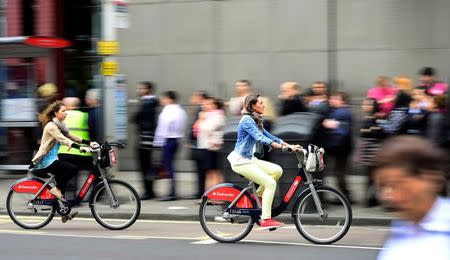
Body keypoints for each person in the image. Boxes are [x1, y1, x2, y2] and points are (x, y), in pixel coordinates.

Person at [227, 94, 301, 229]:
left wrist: (290, 145)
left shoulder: (256, 119)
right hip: (241, 162)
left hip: (249, 159)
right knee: (270, 183)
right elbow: (260, 138)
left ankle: (256, 197)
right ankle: (266, 219)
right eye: (261, 103)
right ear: (253, 106)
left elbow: (269, 136)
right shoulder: (247, 120)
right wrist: (280, 147)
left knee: (277, 171)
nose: (264, 105)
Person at [374, 136, 449, 260]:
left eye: (399, 185)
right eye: (384, 187)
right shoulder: (401, 231)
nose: (391, 197)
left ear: (430, 177)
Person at [31, 100, 98, 223]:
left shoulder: (60, 124)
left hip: (53, 159)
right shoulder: (51, 126)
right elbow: (63, 139)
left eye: (66, 110)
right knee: (72, 169)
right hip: (45, 161)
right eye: (63, 111)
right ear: (56, 113)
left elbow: (70, 136)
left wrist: (89, 143)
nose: (66, 113)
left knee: (65, 179)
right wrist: (79, 148)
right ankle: (56, 190)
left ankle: (63, 211)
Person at [153, 91, 187, 201]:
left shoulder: (167, 111)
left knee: (169, 167)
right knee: (170, 166)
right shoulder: (181, 111)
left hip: (168, 140)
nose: (162, 100)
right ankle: (172, 192)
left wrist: (157, 142)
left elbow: (162, 128)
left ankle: (172, 193)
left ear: (169, 99)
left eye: (164, 98)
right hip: (177, 140)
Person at [58, 97, 93, 200]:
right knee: (91, 173)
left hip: (64, 151)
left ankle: (66, 198)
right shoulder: (85, 116)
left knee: (67, 176)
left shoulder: (61, 116)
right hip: (82, 152)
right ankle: (88, 195)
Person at [322, 91, 353, 201]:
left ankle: (346, 197)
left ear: (342, 101)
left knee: (339, 173)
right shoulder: (337, 111)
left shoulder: (342, 112)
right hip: (339, 147)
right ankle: (345, 196)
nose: (331, 100)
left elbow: (341, 131)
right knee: (338, 172)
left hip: (340, 147)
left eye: (335, 99)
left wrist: (329, 124)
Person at [132, 82, 159, 200]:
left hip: (145, 139)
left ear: (148, 89)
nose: (139, 90)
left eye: (141, 88)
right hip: (147, 138)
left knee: (145, 166)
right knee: (148, 166)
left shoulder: (148, 103)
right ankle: (150, 190)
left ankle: (148, 192)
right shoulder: (149, 102)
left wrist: (137, 117)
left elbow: (137, 118)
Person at [197, 97, 226, 191]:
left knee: (214, 172)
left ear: (215, 105)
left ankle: (217, 195)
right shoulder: (209, 115)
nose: (205, 105)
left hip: (212, 147)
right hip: (206, 146)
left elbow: (207, 128)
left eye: (208, 104)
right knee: (209, 172)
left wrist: (201, 120)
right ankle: (209, 195)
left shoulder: (218, 116)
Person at [188, 90, 210, 199]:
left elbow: (196, 129)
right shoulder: (199, 110)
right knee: (201, 171)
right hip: (198, 145)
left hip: (200, 145)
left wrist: (190, 139)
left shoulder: (202, 110)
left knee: (202, 171)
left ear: (200, 98)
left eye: (194, 96)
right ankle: (200, 191)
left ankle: (202, 192)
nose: (192, 99)